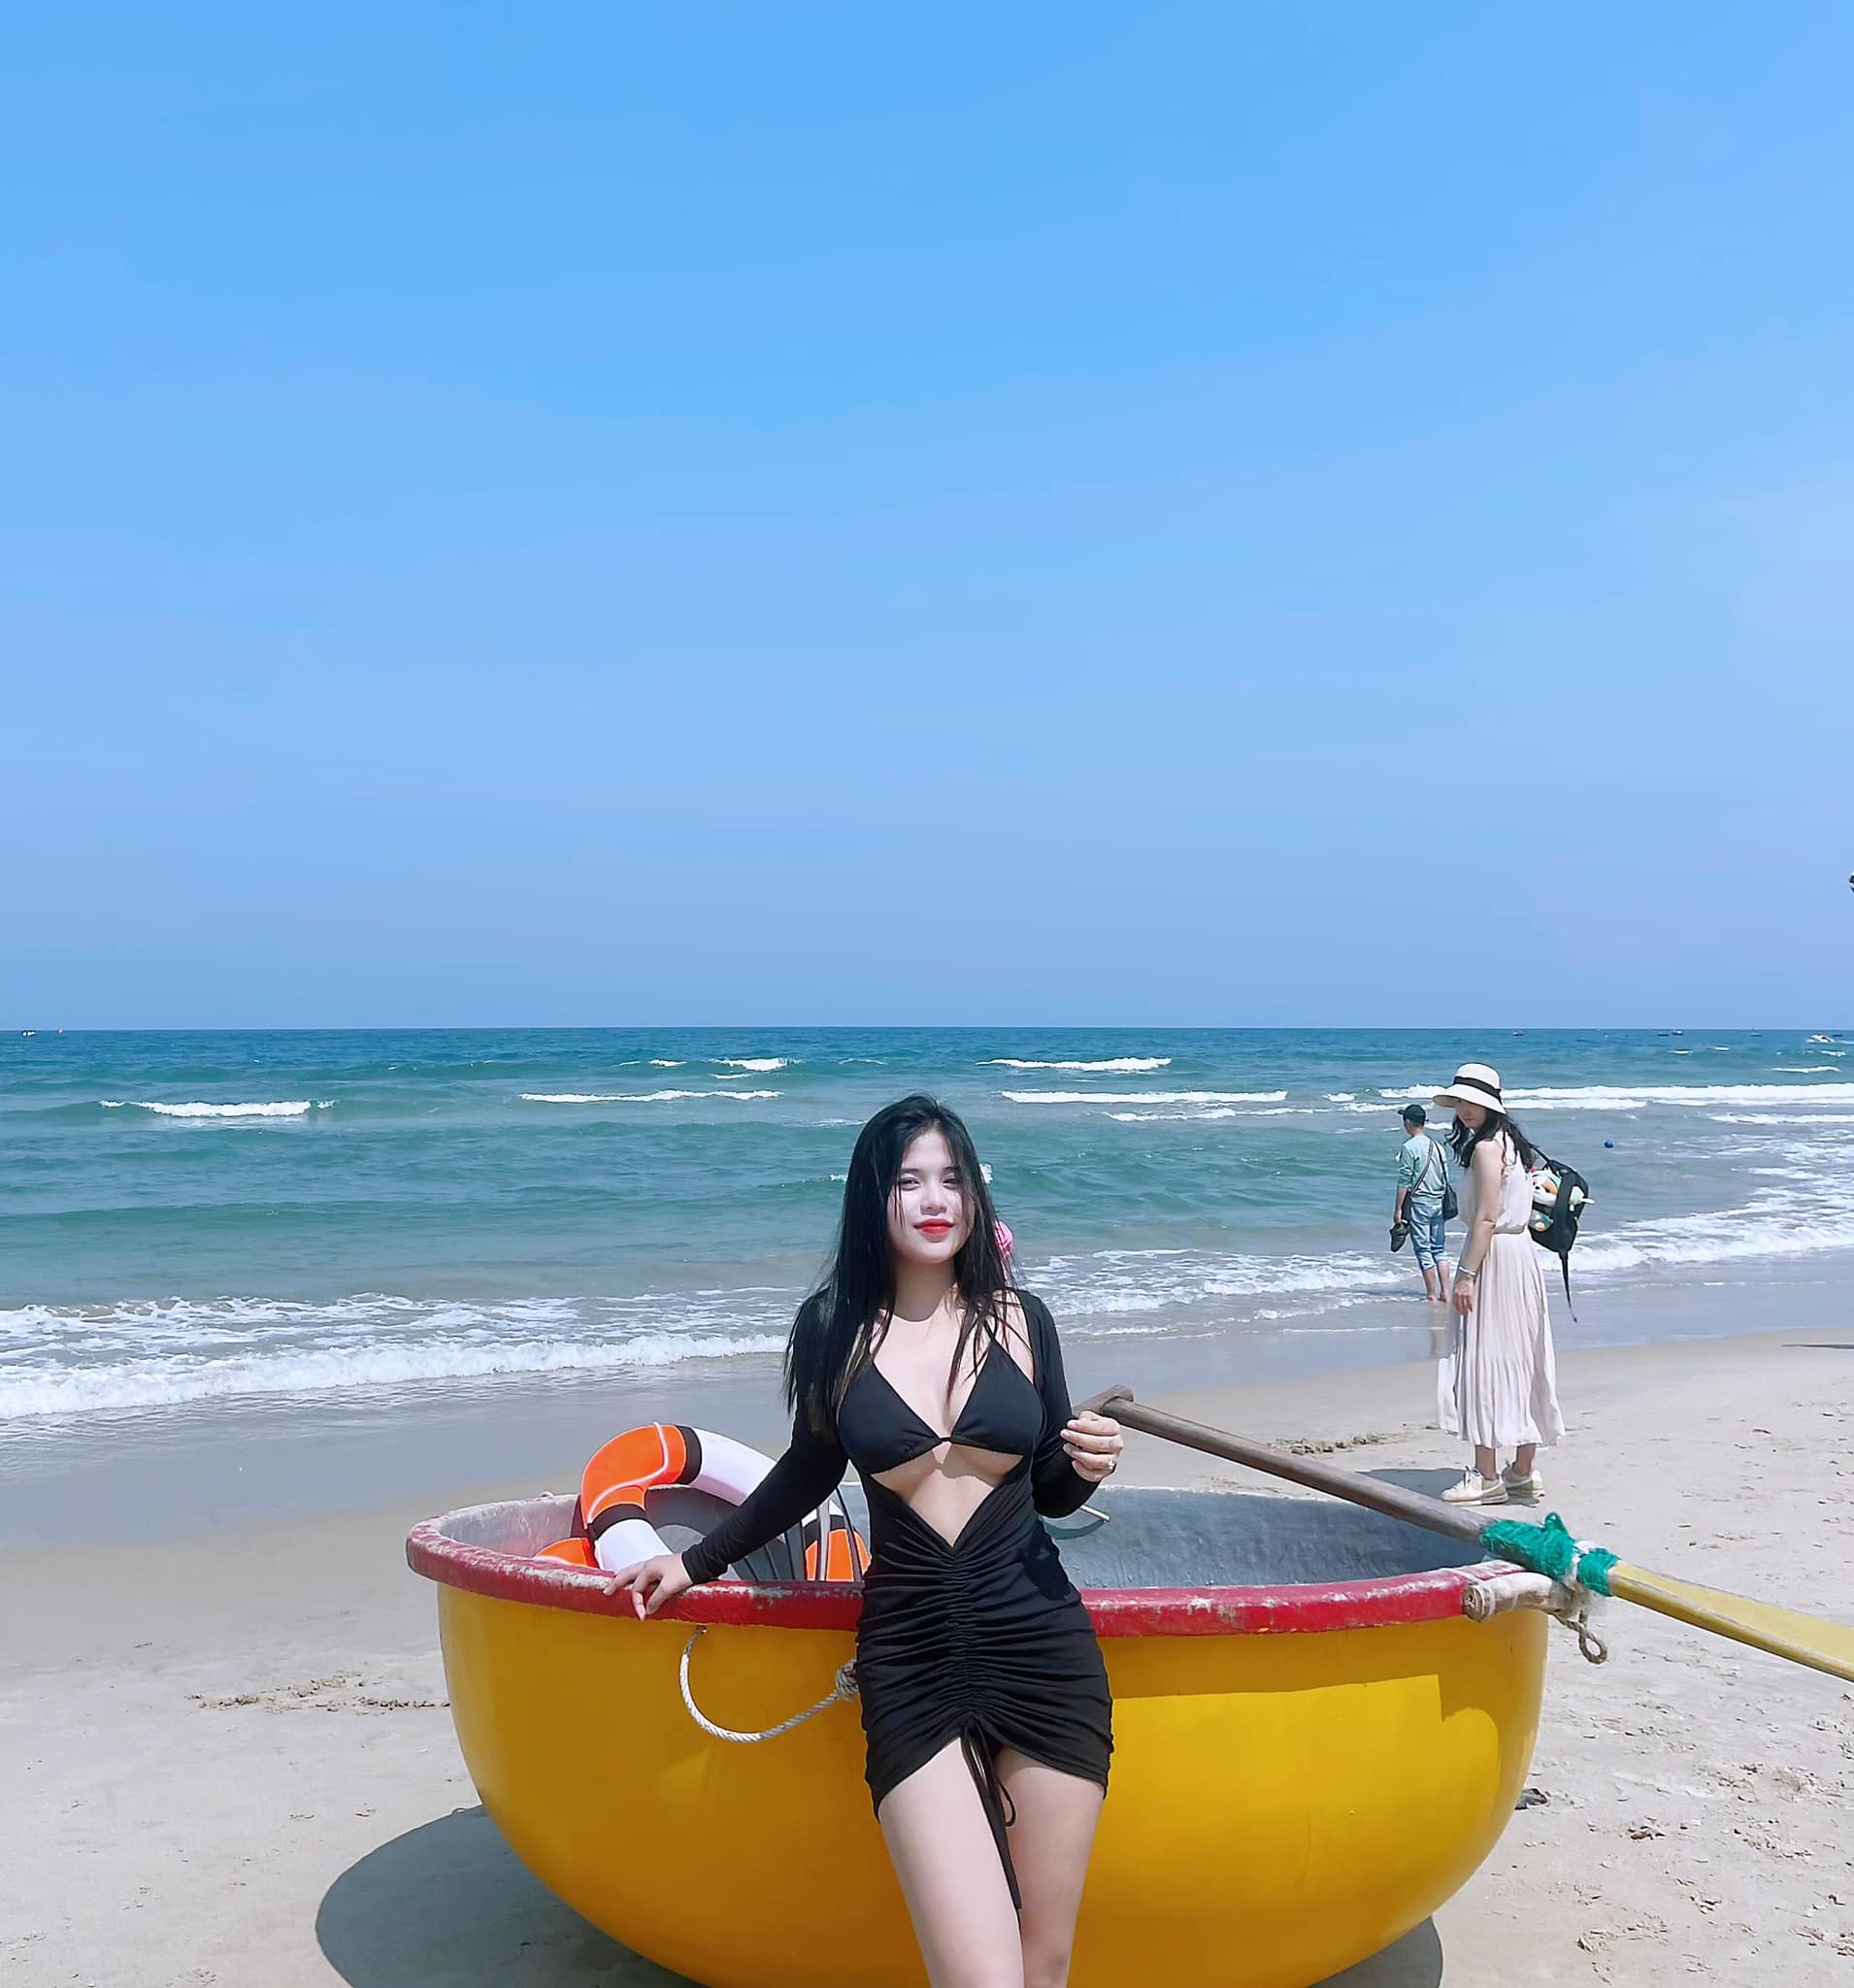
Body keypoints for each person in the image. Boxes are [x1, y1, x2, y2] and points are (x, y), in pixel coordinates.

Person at [610, 1095, 1124, 1988]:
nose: (936, 1200)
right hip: (911, 1660)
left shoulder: (1023, 1319)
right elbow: (808, 1470)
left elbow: (1049, 1488)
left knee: (1044, 1968)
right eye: (909, 1181)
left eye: (953, 1179)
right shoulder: (832, 1330)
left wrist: (1088, 1465)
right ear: (871, 1197)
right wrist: (694, 1561)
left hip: (1042, 1648)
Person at [1431, 1063, 1563, 1505]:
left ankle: (1487, 1475)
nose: (1465, 1109)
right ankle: (1523, 1470)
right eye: (1460, 1101)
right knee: (1523, 1357)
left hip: (1494, 1258)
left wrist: (1466, 1277)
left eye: (1473, 1101)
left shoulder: (1487, 1149)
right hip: (1520, 1254)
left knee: (1483, 1358)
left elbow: (1486, 1220)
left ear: (1490, 1104)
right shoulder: (1513, 1146)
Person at [1393, 1103, 1451, 1304]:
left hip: (1420, 1203)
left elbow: (1404, 1180)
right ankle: (1446, 1292)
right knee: (1439, 1249)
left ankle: (1432, 1294)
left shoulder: (1409, 1147)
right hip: (1438, 1202)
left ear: (1408, 1123)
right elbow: (1444, 1176)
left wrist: (1398, 1208)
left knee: (1423, 1249)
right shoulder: (1437, 1146)